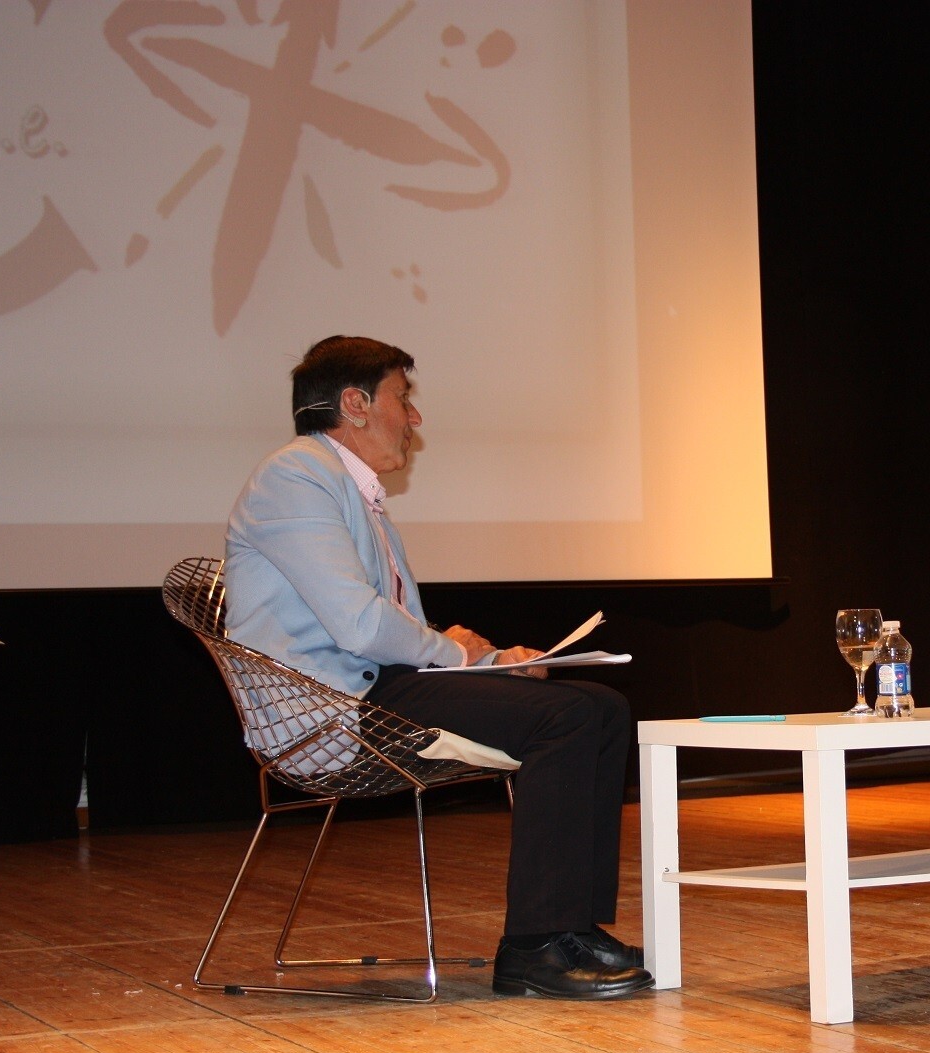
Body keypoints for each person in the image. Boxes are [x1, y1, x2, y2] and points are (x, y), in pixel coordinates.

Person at [224, 335, 652, 999]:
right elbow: (359, 623)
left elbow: (370, 619)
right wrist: (465, 657)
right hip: (336, 705)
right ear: (355, 404)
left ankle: (571, 925)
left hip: (375, 686)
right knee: (566, 717)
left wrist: (471, 657)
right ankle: (533, 946)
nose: (414, 417)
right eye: (403, 397)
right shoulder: (295, 476)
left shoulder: (344, 484)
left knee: (601, 705)